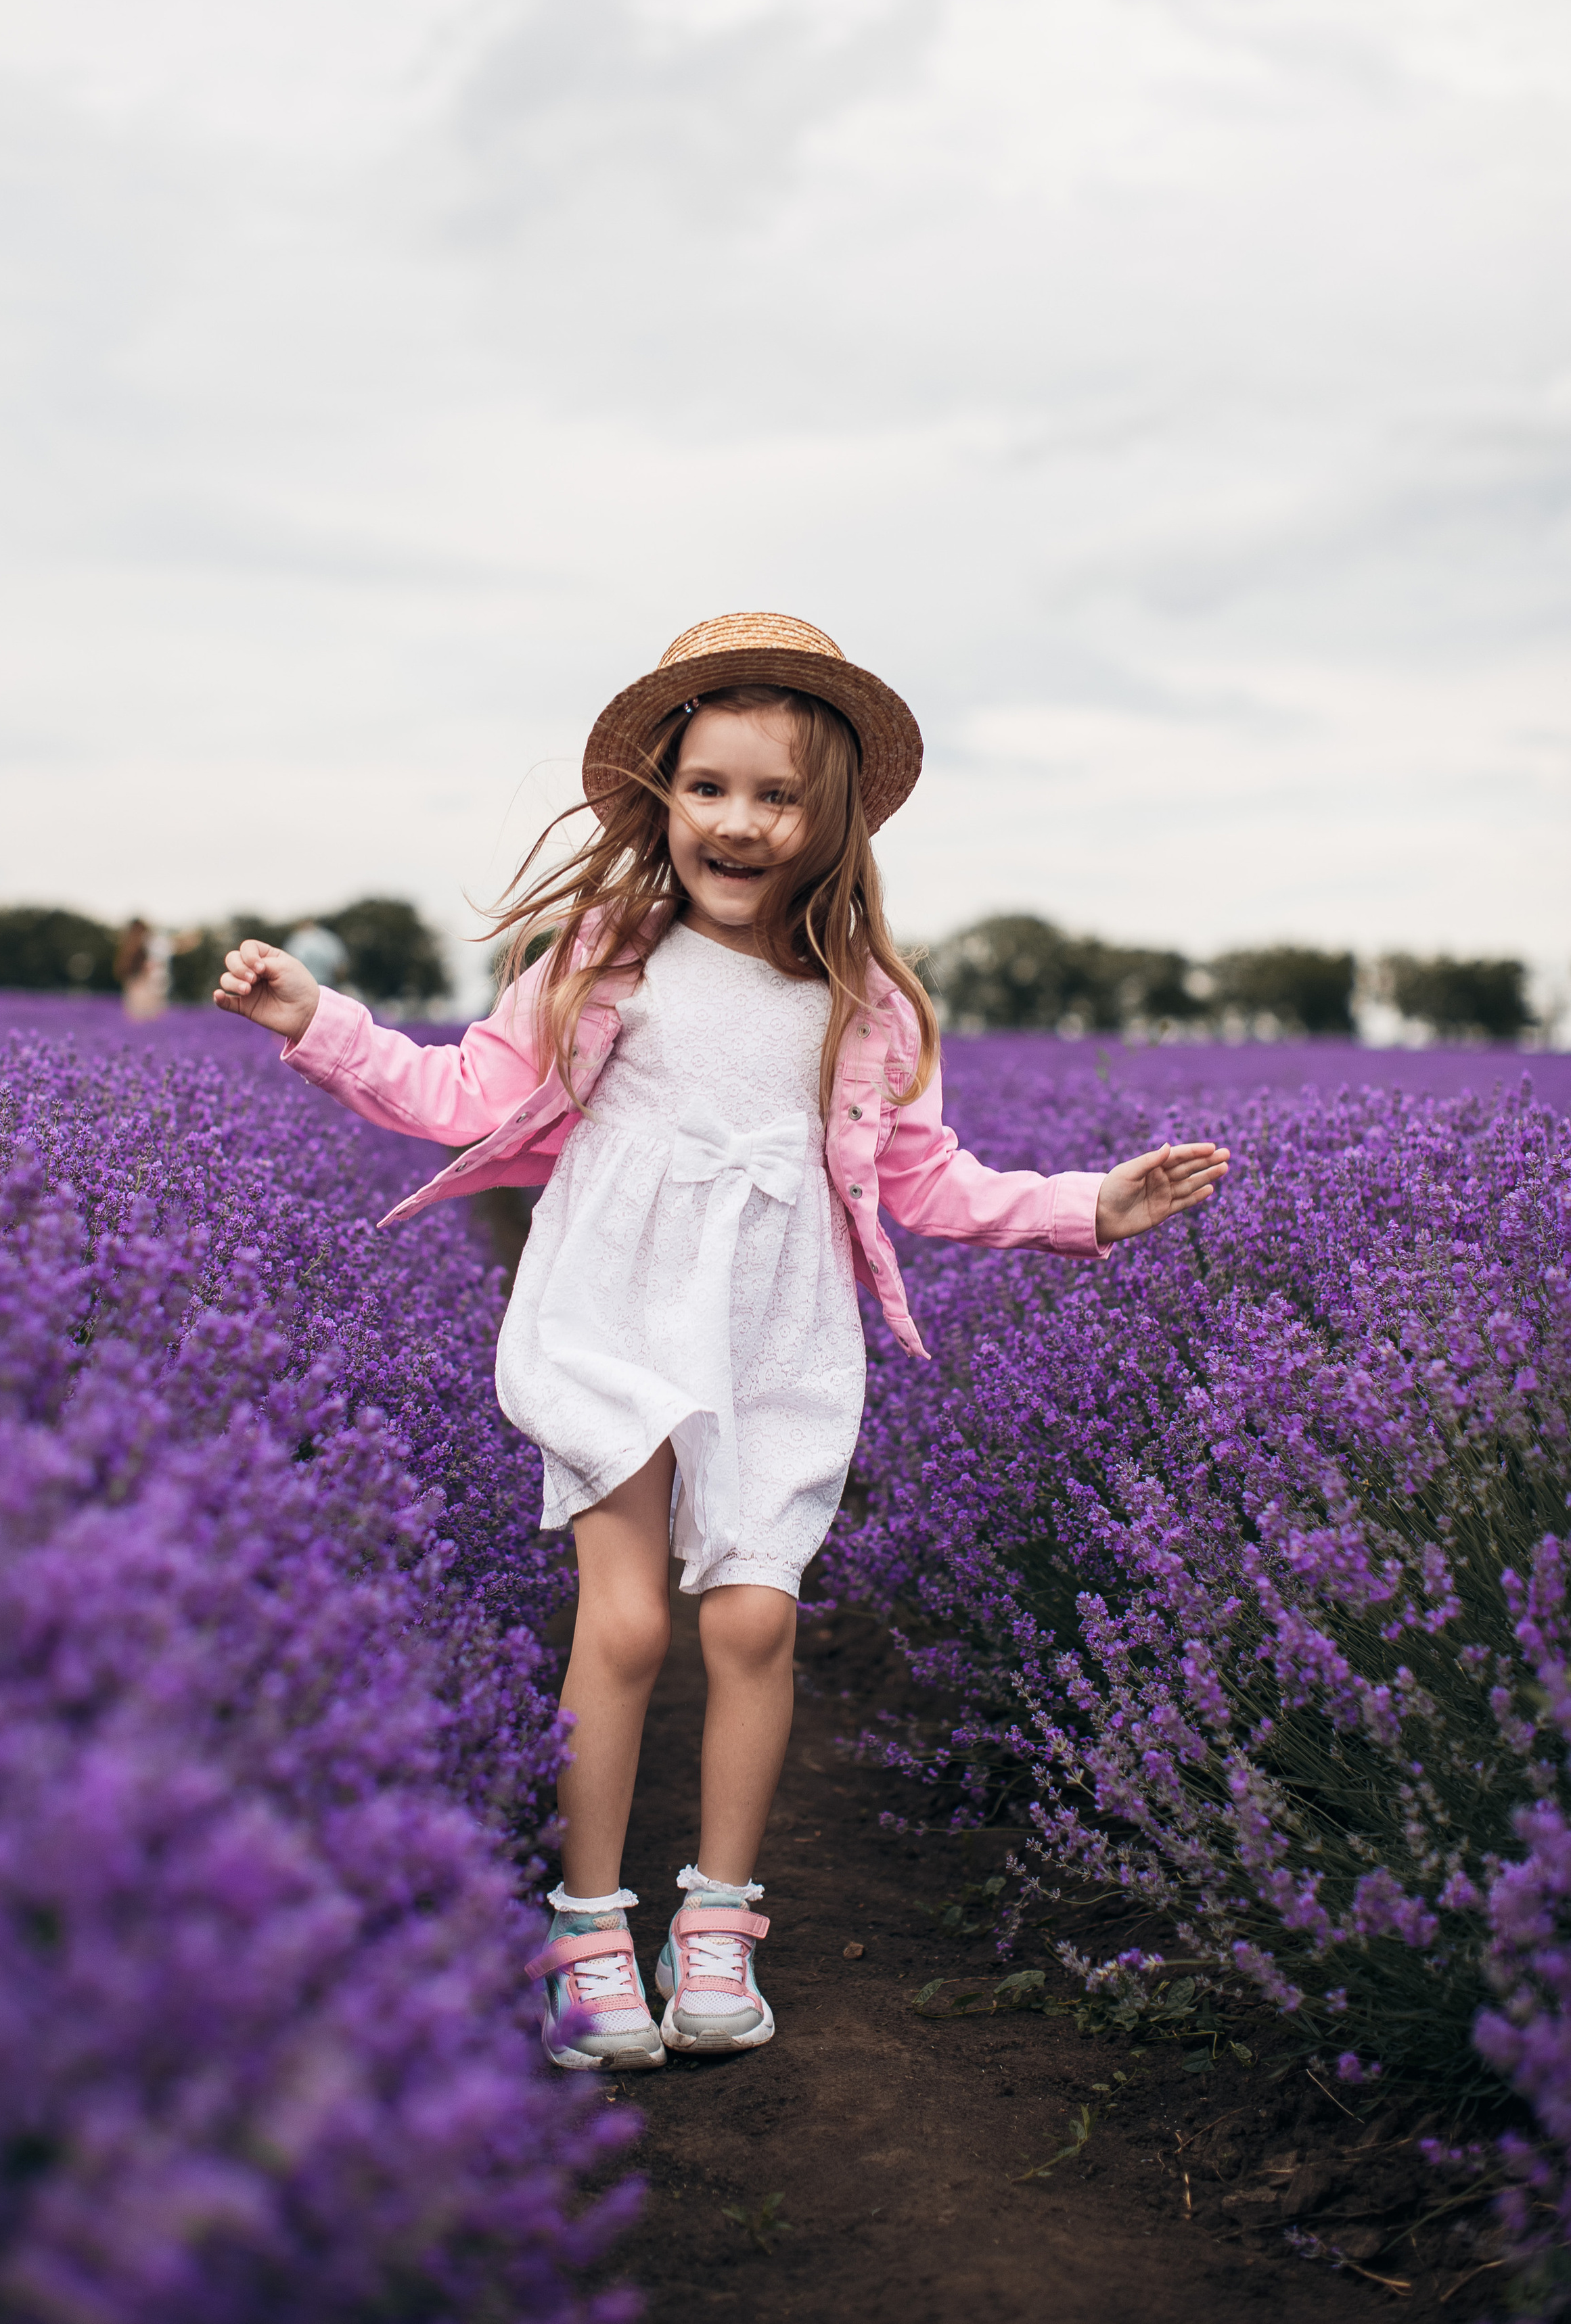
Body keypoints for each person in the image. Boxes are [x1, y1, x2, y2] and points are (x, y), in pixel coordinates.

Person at [212, 613, 1230, 2076]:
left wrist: (1088, 1206)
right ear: (661, 800)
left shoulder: (866, 1004)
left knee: (752, 1621)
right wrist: (318, 1021)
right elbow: (461, 1094)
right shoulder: (608, 953)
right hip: (611, 1306)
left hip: (774, 1330)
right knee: (624, 1625)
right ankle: (581, 1930)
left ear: (833, 822)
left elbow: (922, 1178)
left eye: (776, 795)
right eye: (708, 789)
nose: (737, 823)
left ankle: (716, 1924)